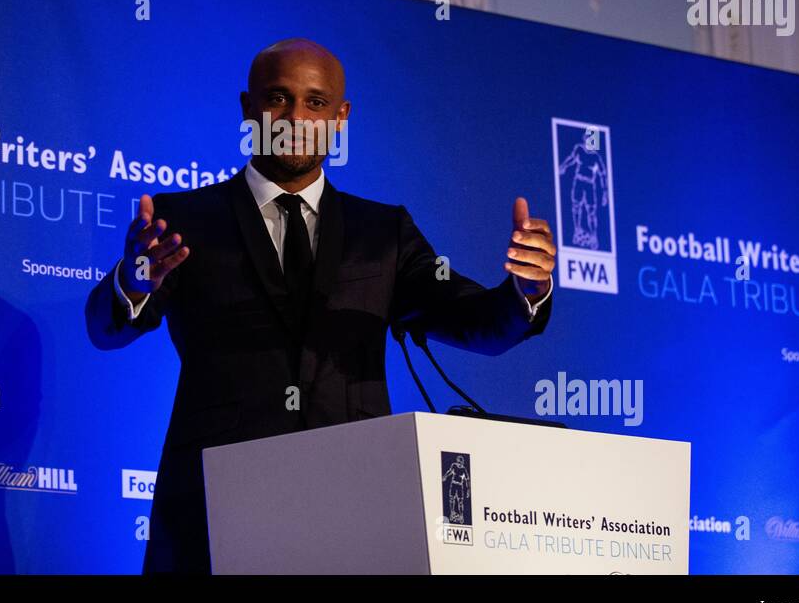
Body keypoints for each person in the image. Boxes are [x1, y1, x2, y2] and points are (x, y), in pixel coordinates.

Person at [85, 38, 556, 573]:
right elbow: (107, 327)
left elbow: (474, 320)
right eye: (277, 98)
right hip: (211, 513)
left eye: (315, 102)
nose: (294, 117)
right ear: (248, 109)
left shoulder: (383, 232)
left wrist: (527, 289)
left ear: (341, 116)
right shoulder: (185, 218)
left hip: (352, 508)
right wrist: (134, 279)